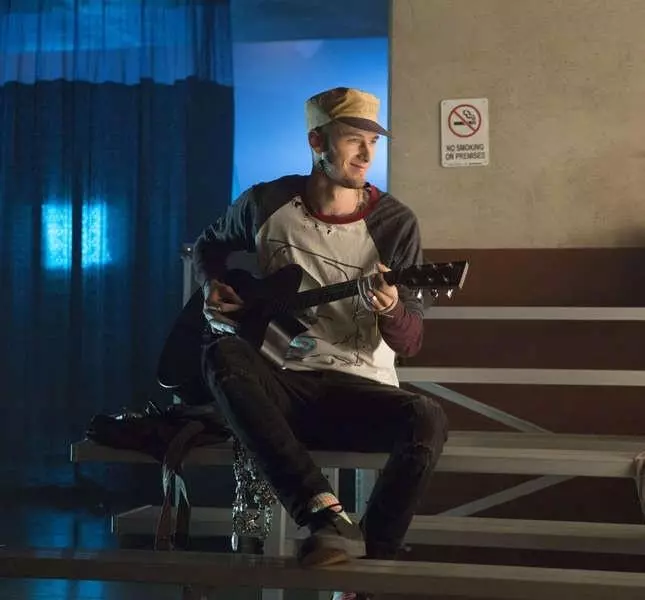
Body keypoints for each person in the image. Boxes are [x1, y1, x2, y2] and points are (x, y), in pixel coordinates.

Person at [193, 87, 448, 599]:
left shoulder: (395, 224)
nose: (367, 154)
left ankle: (364, 574)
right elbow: (208, 244)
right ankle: (323, 513)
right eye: (353, 139)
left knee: (428, 418)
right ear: (316, 142)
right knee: (221, 351)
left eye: (373, 142)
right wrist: (211, 284)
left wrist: (391, 309)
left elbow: (411, 340)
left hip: (360, 390)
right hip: (281, 385)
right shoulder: (265, 202)